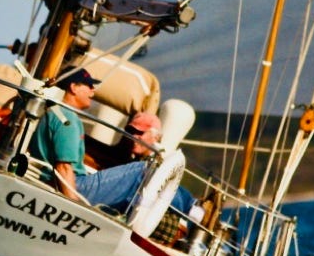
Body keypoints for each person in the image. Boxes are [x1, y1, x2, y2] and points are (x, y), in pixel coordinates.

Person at [30, 68, 198, 218]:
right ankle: (188, 213)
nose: (93, 91)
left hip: (62, 181)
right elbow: (64, 168)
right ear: (74, 87)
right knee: (144, 171)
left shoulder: (55, 112)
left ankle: (189, 209)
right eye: (88, 85)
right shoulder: (68, 120)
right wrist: (73, 208)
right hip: (77, 186)